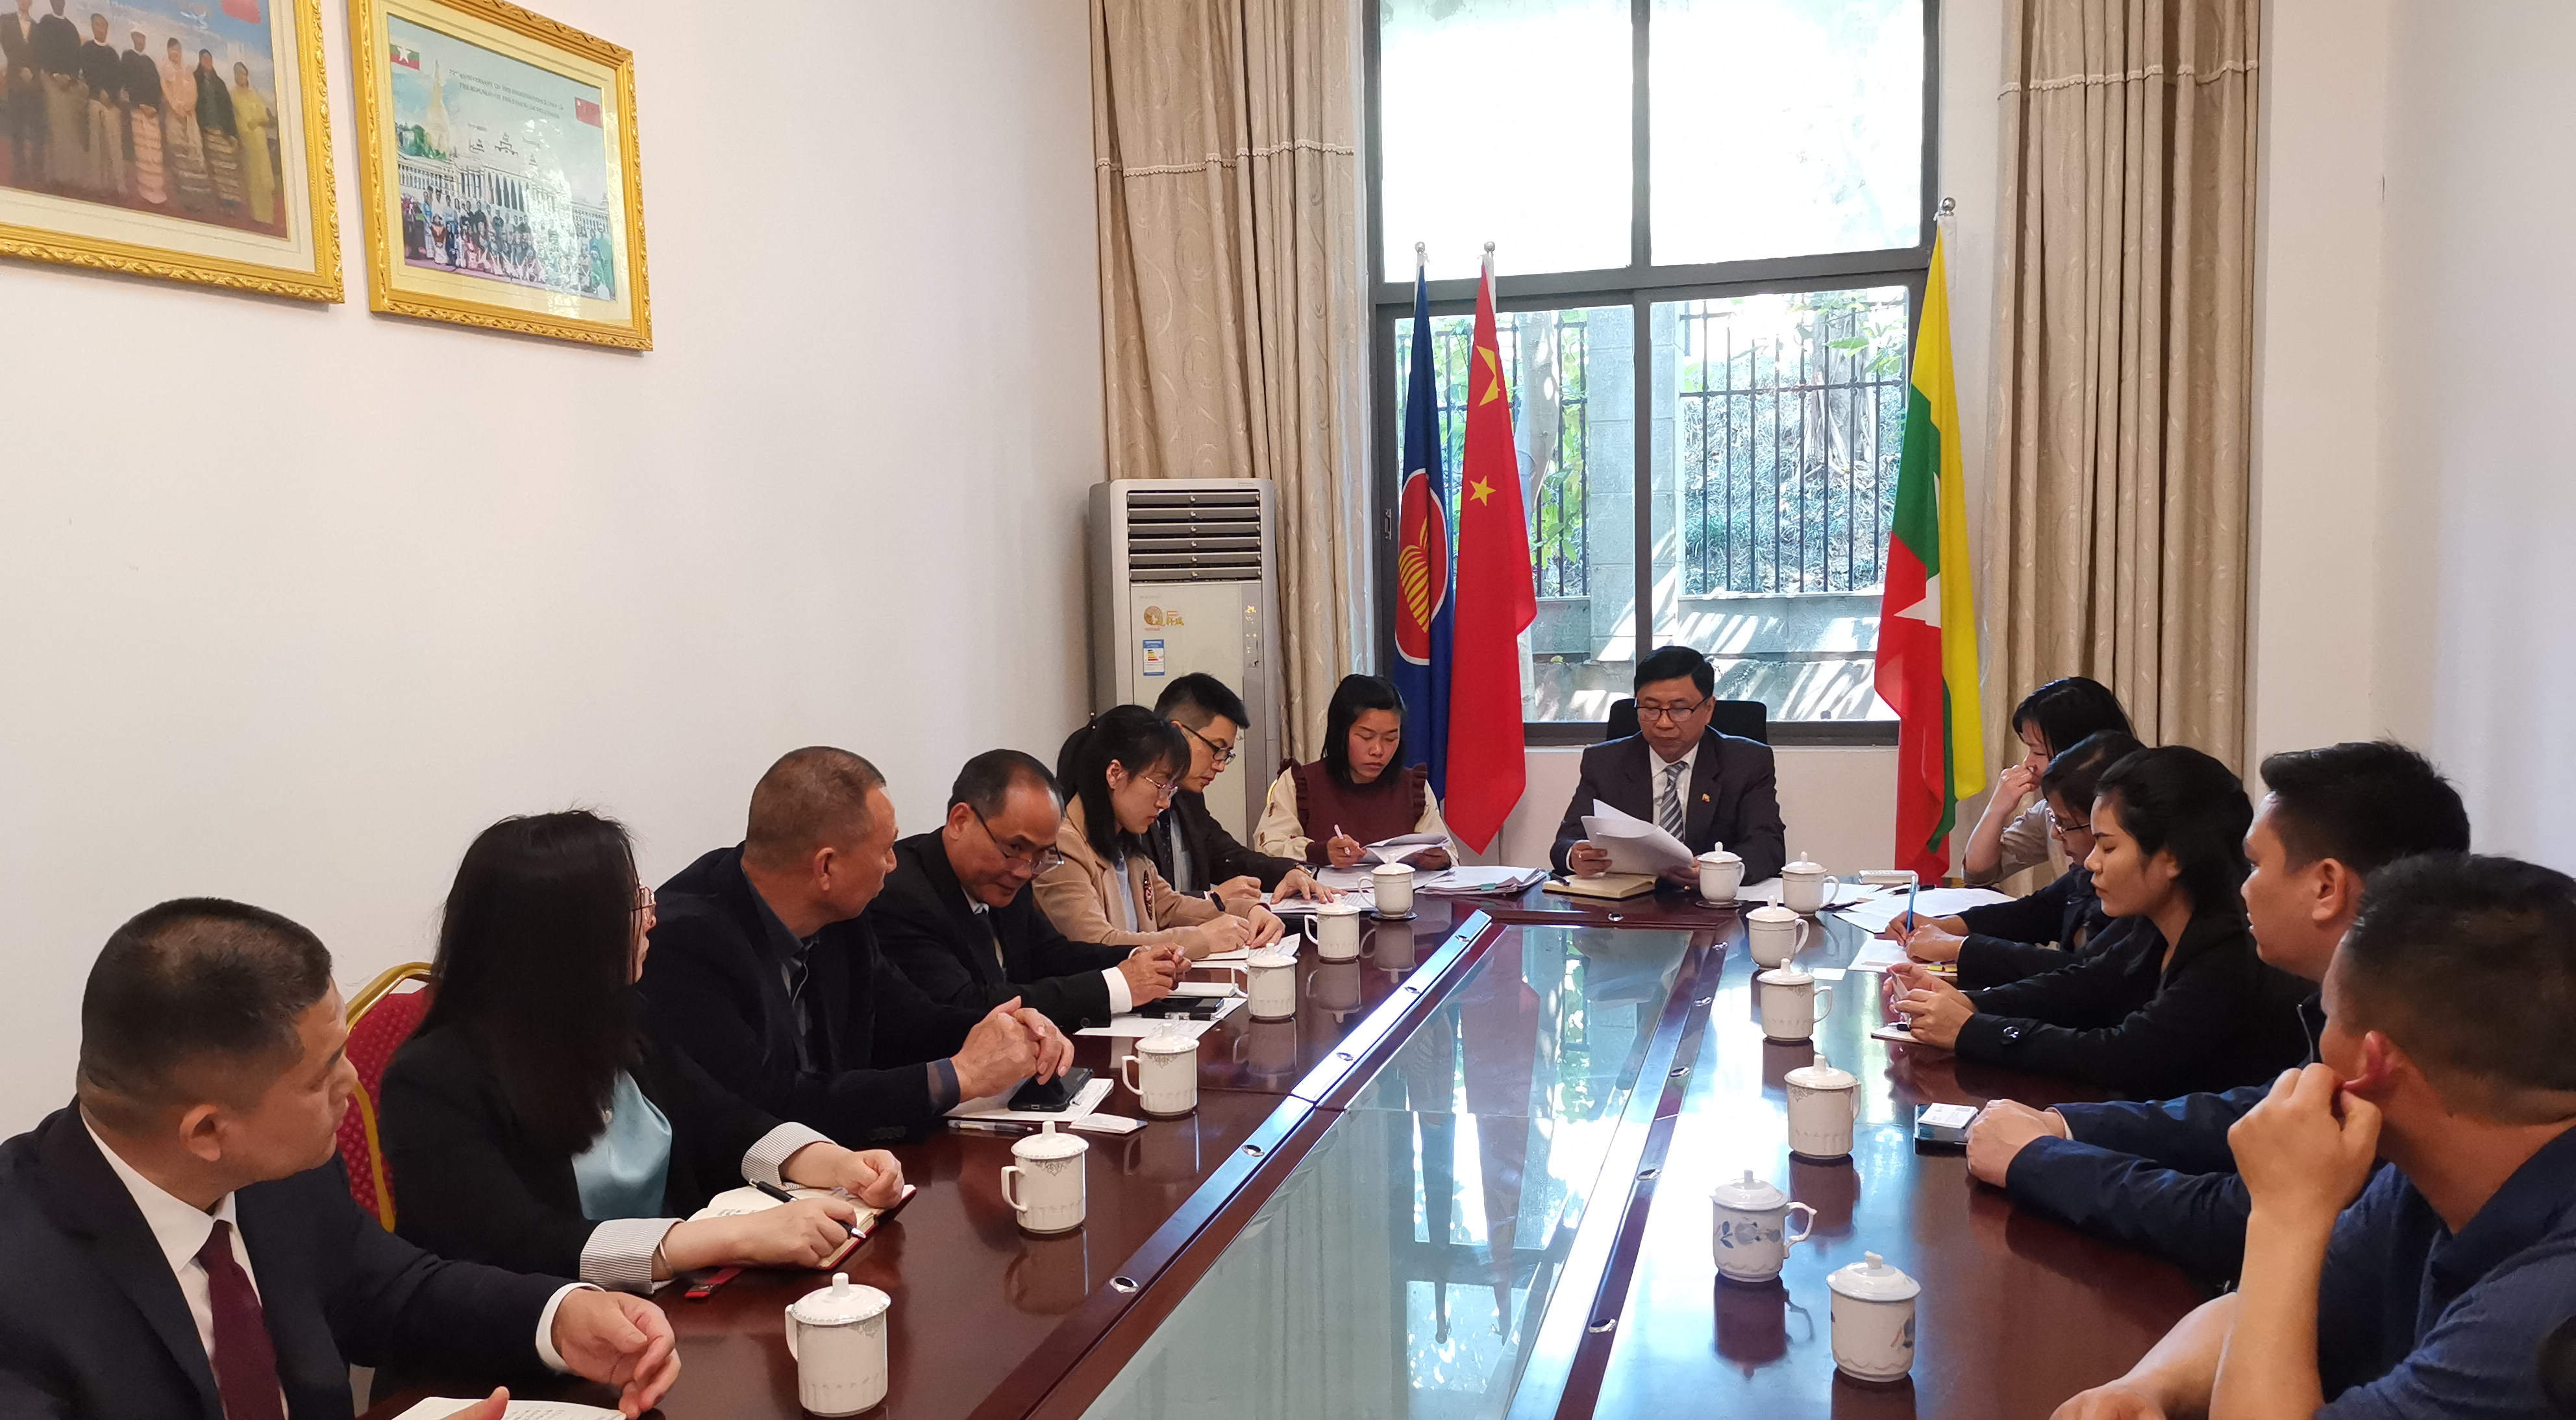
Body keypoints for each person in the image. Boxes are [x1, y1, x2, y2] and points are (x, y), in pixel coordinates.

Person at [0, 898, 682, 1419]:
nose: (353, 1083)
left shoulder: (280, 1174)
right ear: (207, 1131)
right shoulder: (19, 1283)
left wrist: (560, 1317)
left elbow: (397, 1292)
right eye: (321, 1073)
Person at [2053, 854, 2576, 1420]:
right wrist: (2148, 1387)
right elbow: (2266, 1312)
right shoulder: (2426, 1180)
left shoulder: (2544, 1314)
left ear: (2372, 1062)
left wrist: (2284, 1214)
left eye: (2325, 1016)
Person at [1965, 741, 2471, 1287]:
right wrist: (2064, 1125)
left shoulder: (2396, 1050)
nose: (2243, 886)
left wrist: (2038, 1158)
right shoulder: (2351, 1008)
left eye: (2255, 865)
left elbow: (2232, 1219)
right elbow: (2245, 1112)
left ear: (2326, 886)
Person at [383, 811, 911, 1294]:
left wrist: (837, 1163)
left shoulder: (621, 1017)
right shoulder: (432, 1083)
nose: (651, 918)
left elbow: (721, 1121)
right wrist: (734, 1237)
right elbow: (521, 1244)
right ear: (563, 938)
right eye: (634, 904)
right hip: (538, 1339)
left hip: (668, 1304)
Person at [639, 747, 1075, 1145]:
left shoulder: (839, 915)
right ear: (826, 867)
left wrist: (1010, 1031)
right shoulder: (686, 942)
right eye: (886, 849)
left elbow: (908, 1020)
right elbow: (768, 1103)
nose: (894, 864)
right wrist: (959, 1076)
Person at [1888, 745, 2311, 1099]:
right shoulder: (2157, 924)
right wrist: (1971, 1003)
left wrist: (1972, 1030)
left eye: (2108, 847)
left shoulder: (2229, 954)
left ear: (2172, 857)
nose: (2091, 862)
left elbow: (2121, 1055)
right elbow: (2086, 983)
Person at [872, 750, 1183, 1029]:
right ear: (960, 820)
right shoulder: (902, 895)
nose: (1024, 871)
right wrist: (1118, 986)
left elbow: (1050, 954)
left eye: (1041, 854)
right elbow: (965, 1005)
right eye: (1014, 847)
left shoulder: (1014, 872)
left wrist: (1139, 959)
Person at [1885, 731, 2144, 989]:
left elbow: (2084, 977)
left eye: (2065, 824)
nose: (2056, 834)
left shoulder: (2137, 904)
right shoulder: (2087, 873)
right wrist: (1942, 926)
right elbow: (2034, 913)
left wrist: (1960, 947)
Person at [1039, 705, 1283, 955]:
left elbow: (1171, 907)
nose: (1165, 803)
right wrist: (1201, 939)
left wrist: (1248, 910)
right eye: (1160, 785)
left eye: (1171, 790)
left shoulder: (1127, 847)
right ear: (1115, 774)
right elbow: (1098, 944)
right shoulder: (1063, 847)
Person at [1550, 645, 1787, 887]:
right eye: (1651, 709)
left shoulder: (1746, 762)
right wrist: (1575, 856)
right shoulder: (1604, 762)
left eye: (1680, 709)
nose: (1664, 723)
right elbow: (1565, 843)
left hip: (1710, 900)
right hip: (1628, 900)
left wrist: (1720, 871)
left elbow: (1767, 845)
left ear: (1708, 709)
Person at [1145, 672, 1326, 907]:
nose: (1220, 766)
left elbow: (1228, 857)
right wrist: (1210, 899)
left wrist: (1289, 872)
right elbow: (1143, 904)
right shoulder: (1131, 804)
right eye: (1216, 749)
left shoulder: (1187, 797)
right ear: (1177, 734)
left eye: (1227, 754)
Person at [1254, 674, 1455, 870]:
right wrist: (1320, 852)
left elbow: (1449, 853)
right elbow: (1267, 849)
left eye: (1390, 739)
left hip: (1405, 893)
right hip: (1325, 893)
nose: (1378, 750)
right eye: (1366, 737)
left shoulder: (1413, 787)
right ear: (1340, 733)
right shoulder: (1300, 783)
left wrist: (1440, 860)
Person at [1961, 676, 2134, 887]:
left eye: (2038, 752)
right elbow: (1977, 874)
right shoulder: (2051, 811)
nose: (2028, 762)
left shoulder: (2134, 809)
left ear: (2084, 753)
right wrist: (1996, 809)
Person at [31, 0, 80, 193]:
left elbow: (76, 57)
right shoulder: (45, 22)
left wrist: (70, 77)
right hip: (50, 79)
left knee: (68, 130)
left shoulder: (72, 28)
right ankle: (53, 175)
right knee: (54, 127)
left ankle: (67, 176)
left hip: (69, 82)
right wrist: (54, 74)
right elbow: (41, 51)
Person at [158, 36, 208, 213]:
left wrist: (189, 106)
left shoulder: (188, 71)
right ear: (168, 52)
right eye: (172, 51)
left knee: (194, 157)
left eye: (177, 50)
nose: (175, 54)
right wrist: (177, 108)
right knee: (180, 159)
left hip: (190, 118)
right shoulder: (165, 71)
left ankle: (197, 199)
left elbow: (194, 92)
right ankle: (185, 200)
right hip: (174, 119)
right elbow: (167, 92)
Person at [1, 0, 43, 187]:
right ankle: (19, 168)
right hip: (15, 78)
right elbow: (7, 46)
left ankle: (36, 168)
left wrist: (32, 72)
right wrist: (19, 69)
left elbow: (40, 53)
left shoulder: (37, 27)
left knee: (35, 125)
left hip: (33, 81)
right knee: (17, 124)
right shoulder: (5, 20)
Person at [75, 12, 116, 196]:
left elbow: (117, 77)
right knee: (94, 142)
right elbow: (88, 73)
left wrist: (111, 95)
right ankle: (94, 182)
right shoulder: (86, 49)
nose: (101, 29)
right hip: (93, 99)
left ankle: (107, 183)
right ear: (93, 27)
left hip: (110, 103)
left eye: (104, 26)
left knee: (109, 144)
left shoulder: (112, 53)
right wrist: (99, 92)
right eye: (98, 25)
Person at [118, 29, 160, 205]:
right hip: (136, 109)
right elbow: (127, 83)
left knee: (154, 153)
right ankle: (142, 191)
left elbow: (156, 87)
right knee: (140, 152)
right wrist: (139, 103)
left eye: (143, 38)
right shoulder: (128, 57)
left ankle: (155, 191)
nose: (141, 41)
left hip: (151, 112)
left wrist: (154, 107)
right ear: (133, 38)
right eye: (138, 37)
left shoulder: (149, 62)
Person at [193, 49, 238, 214]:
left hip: (221, 131)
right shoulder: (195, 80)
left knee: (226, 167)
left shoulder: (219, 83)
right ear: (200, 61)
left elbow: (228, 109)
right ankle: (217, 202)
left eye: (209, 59)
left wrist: (232, 133)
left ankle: (230, 202)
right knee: (213, 168)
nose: (207, 62)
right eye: (204, 59)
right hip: (205, 129)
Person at [229, 61, 271, 225]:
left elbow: (264, 116)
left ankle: (267, 216)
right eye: (237, 73)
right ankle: (257, 215)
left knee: (264, 178)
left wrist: (257, 121)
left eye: (242, 73)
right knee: (252, 177)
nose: (240, 76)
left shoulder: (254, 95)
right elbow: (234, 117)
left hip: (260, 141)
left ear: (247, 75)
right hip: (246, 141)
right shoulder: (233, 95)